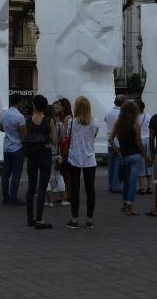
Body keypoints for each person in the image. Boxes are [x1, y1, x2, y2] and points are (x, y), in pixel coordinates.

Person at [109, 101, 150, 216]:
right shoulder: (135, 124)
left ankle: (124, 204)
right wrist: (146, 157)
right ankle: (130, 208)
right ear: (134, 111)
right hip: (135, 156)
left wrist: (118, 152)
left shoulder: (119, 123)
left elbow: (110, 139)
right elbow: (139, 142)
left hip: (124, 156)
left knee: (126, 182)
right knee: (132, 183)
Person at [23, 95, 56, 229]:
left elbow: (25, 136)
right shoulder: (49, 121)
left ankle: (30, 217)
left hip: (31, 154)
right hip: (44, 153)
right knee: (42, 187)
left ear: (34, 105)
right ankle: (40, 220)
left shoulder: (27, 120)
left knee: (31, 187)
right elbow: (54, 141)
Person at [66, 96, 99, 229]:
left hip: (74, 158)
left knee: (75, 189)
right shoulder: (95, 122)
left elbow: (68, 136)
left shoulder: (72, 122)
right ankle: (89, 219)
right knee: (90, 189)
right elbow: (94, 135)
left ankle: (74, 219)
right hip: (90, 159)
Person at [0, 94, 26, 205]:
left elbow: (0, 128)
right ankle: (13, 197)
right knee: (16, 174)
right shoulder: (19, 117)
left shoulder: (4, 114)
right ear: (19, 102)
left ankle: (5, 196)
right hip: (17, 148)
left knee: (5, 174)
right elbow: (23, 134)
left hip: (7, 147)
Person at [46, 103, 68, 207]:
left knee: (46, 176)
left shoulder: (45, 123)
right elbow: (62, 139)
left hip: (46, 152)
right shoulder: (60, 124)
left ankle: (49, 201)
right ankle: (63, 200)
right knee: (59, 176)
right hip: (57, 152)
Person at [104, 95, 126, 193]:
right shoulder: (122, 114)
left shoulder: (108, 112)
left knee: (111, 165)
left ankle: (110, 185)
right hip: (119, 142)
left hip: (110, 142)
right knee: (118, 165)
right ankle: (116, 186)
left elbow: (106, 120)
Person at [136, 99, 153, 195]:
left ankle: (142, 187)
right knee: (148, 163)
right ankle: (150, 187)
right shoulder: (148, 116)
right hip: (147, 140)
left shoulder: (135, 118)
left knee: (140, 164)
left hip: (139, 141)